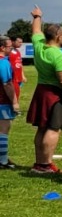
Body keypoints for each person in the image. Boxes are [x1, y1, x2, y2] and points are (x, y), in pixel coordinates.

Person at [26, 7, 62, 176]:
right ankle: (45, 164)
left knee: (42, 128)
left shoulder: (39, 46)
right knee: (53, 128)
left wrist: (37, 16)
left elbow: (36, 30)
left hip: (42, 91)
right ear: (57, 37)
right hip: (57, 95)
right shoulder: (59, 56)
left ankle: (39, 163)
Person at [0, 39, 14, 170]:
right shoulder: (3, 63)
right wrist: (14, 101)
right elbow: (7, 83)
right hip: (2, 102)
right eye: (10, 46)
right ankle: (3, 161)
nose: (12, 48)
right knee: (4, 130)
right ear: (2, 48)